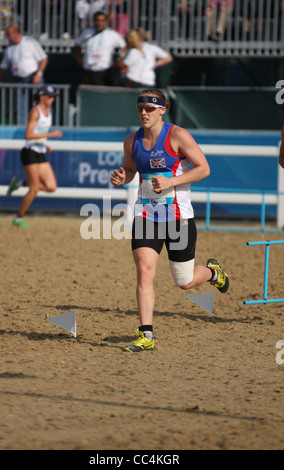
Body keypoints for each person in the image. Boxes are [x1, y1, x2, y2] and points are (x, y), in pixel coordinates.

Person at [110, 89, 229, 352]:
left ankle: (213, 273)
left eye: (150, 108)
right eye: (140, 107)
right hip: (146, 215)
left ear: (163, 109)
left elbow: (204, 168)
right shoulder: (131, 141)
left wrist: (171, 181)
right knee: (144, 272)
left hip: (178, 218)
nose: (144, 112)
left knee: (183, 281)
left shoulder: (178, 136)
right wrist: (123, 176)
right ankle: (146, 335)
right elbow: (130, 169)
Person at [6, 85, 63, 228]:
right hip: (29, 152)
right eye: (50, 96)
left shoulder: (48, 111)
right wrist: (50, 135)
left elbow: (38, 133)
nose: (52, 99)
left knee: (51, 187)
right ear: (42, 97)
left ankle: (18, 183)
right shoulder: (35, 112)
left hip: (39, 152)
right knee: (34, 189)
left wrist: (45, 144)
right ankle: (18, 218)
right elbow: (28, 135)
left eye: (53, 97)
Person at [0, 24, 48, 124]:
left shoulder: (30, 42)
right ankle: (21, 128)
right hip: (19, 79)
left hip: (33, 77)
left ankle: (43, 125)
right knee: (20, 106)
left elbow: (44, 59)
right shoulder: (9, 48)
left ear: (17, 33)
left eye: (9, 34)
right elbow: (3, 66)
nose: (7, 37)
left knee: (40, 102)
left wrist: (39, 74)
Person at [74, 10, 125, 86]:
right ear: (94, 21)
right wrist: (78, 58)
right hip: (88, 70)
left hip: (104, 71)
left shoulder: (111, 34)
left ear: (105, 22)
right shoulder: (87, 32)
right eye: (97, 20)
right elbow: (77, 44)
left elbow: (125, 47)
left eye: (102, 21)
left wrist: (119, 61)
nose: (99, 23)